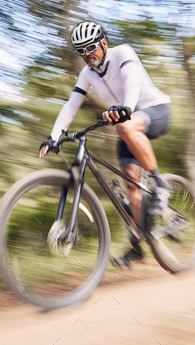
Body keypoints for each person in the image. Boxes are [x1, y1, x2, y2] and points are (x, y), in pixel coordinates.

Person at [38, 21, 172, 268]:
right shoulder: (87, 74)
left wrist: (127, 108)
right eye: (80, 50)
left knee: (125, 127)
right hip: (128, 120)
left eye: (90, 47)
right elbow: (71, 105)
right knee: (131, 185)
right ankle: (138, 245)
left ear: (104, 43)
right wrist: (54, 136)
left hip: (155, 110)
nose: (87, 54)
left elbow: (131, 78)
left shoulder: (123, 52)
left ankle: (160, 184)